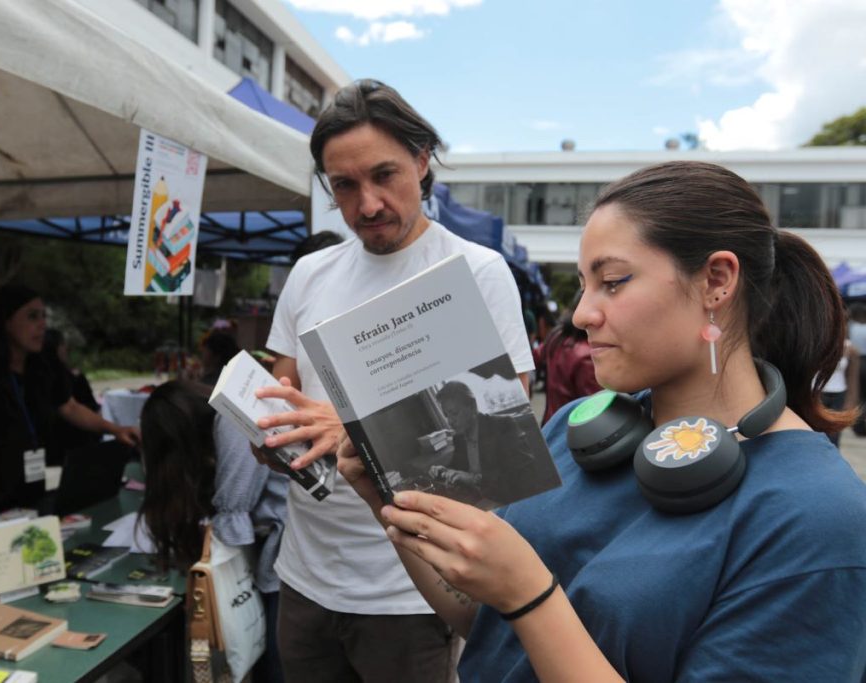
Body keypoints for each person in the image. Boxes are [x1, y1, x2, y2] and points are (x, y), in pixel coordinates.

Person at [337, 161, 866, 681]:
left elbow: (520, 602)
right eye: (585, 285)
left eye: (613, 281)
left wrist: (530, 595)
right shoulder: (575, 428)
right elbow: (486, 622)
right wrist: (387, 500)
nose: (582, 314)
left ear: (717, 281)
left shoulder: (817, 514)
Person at [252, 79, 533, 681]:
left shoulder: (477, 272)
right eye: (345, 186)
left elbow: (504, 434)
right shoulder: (309, 274)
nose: (369, 204)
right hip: (304, 576)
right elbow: (284, 391)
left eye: (385, 175)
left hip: (410, 587)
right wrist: (271, 435)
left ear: (422, 161)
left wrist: (354, 425)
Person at [138, 379, 287, 683]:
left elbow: (232, 525)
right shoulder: (229, 416)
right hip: (290, 568)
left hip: (288, 574)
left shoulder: (233, 424)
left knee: (274, 667)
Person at [0, 284, 138, 520]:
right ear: (5, 321)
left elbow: (70, 407)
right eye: (32, 317)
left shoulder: (42, 363)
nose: (42, 325)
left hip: (30, 488)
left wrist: (115, 430)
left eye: (43, 316)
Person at [427, 381, 539, 506]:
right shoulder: (458, 437)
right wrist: (445, 472)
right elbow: (458, 467)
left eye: (454, 413)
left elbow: (524, 479)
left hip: (506, 502)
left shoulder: (503, 426)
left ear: (472, 406)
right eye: (446, 415)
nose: (450, 422)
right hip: (477, 500)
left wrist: (474, 479)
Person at [41, 328, 101, 466]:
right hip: (76, 447)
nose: (66, 349)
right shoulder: (72, 379)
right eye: (62, 345)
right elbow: (75, 408)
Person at [537, 296, 602, 425]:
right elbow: (596, 410)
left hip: (551, 425)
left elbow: (535, 357)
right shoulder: (586, 357)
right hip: (573, 430)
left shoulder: (557, 336)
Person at [820, 337, 860, 446]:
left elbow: (853, 378)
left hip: (839, 393)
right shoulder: (818, 343)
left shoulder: (848, 347)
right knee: (819, 429)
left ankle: (833, 452)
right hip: (820, 393)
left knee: (835, 431)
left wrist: (851, 400)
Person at [849, 303, 866, 436]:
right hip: (864, 361)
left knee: (857, 395)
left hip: (854, 362)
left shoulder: (850, 327)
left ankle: (857, 425)